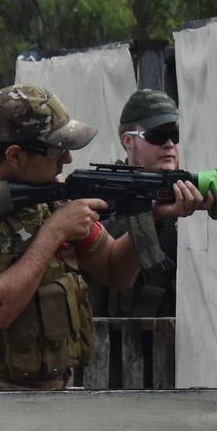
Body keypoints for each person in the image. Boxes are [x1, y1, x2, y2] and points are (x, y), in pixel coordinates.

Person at [0, 84, 209, 392]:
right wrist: (54, 231)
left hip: (55, 391)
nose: (66, 159)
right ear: (15, 155)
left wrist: (152, 215)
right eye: (57, 148)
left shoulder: (49, 192)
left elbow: (113, 270)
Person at [87, 88, 206, 318]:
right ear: (128, 140)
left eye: (174, 134)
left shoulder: (184, 195)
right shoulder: (103, 193)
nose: (169, 144)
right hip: (118, 337)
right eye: (157, 135)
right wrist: (153, 216)